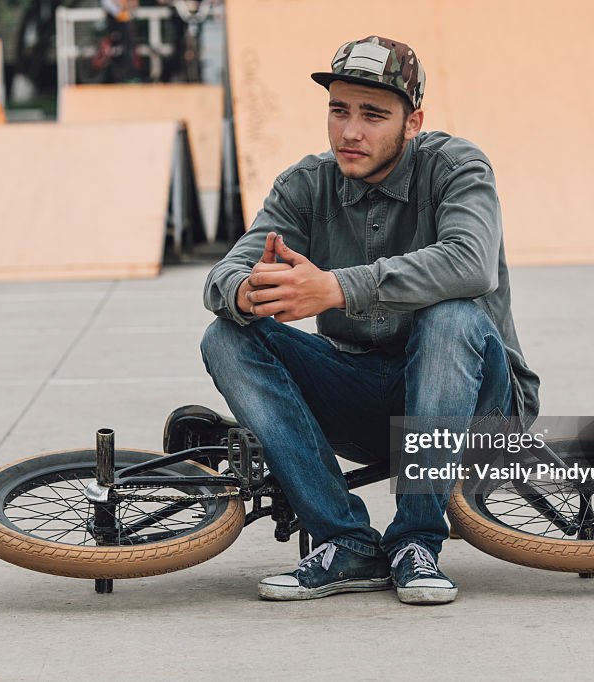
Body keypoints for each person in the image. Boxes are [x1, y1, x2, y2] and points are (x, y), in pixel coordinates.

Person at [200, 36, 540, 605]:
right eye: (339, 110)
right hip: (365, 398)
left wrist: (335, 288)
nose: (349, 132)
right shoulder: (306, 185)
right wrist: (250, 292)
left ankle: (416, 543)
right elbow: (223, 274)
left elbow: (470, 263)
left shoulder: (457, 168)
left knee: (451, 317)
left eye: (373, 115)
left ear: (413, 123)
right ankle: (346, 542)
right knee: (226, 337)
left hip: (478, 403)